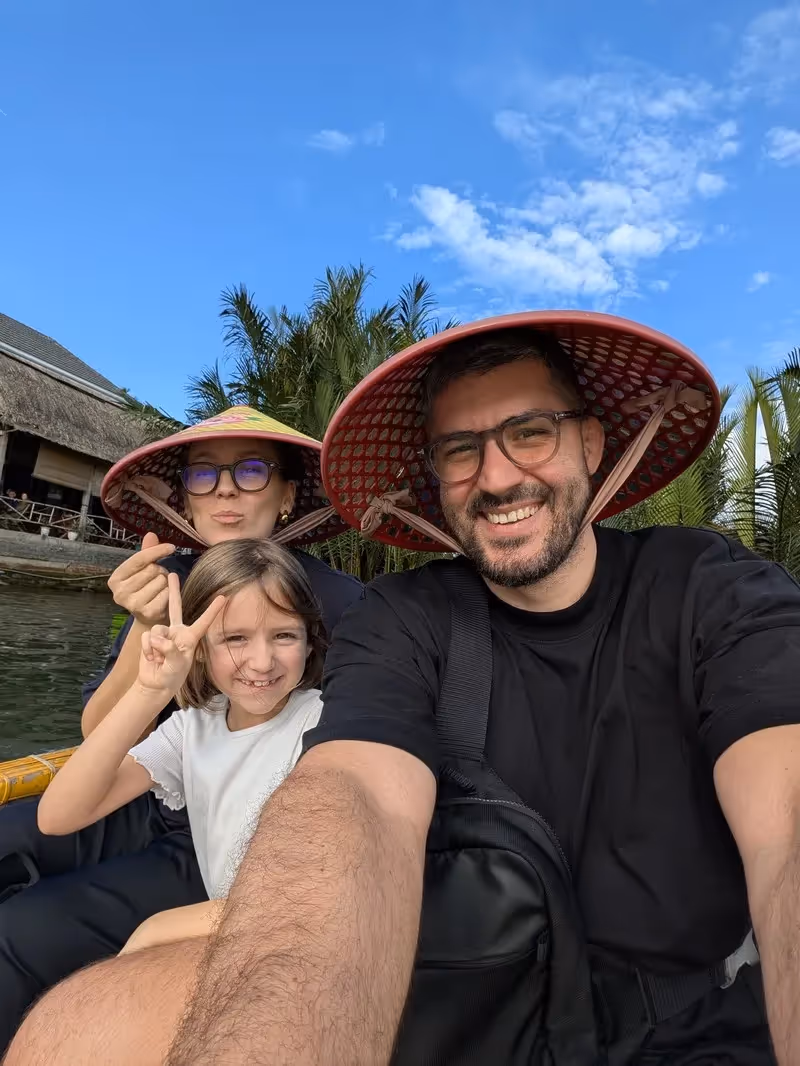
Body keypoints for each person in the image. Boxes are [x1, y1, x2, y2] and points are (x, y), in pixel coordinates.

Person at [7, 312, 800, 1066]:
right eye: (460, 450)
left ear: (591, 441)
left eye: (530, 432)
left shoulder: (713, 591)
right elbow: (354, 796)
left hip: (686, 1019)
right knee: (77, 1027)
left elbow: (786, 808)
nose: (496, 475)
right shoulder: (405, 616)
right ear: (436, 477)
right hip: (466, 976)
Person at [0, 405, 361, 1052]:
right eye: (204, 476)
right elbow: (97, 737)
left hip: (240, 845)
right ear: (186, 501)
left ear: (285, 495)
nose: (225, 488)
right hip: (156, 793)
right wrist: (143, 636)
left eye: (251, 471)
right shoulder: (163, 584)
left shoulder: (344, 606)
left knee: (23, 930)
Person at [38, 538, 325, 956]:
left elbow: (306, 897)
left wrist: (157, 928)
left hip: (294, 945)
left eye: (284, 635)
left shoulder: (325, 725)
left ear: (310, 642)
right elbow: (59, 816)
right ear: (202, 649)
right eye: (235, 639)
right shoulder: (193, 727)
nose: (262, 662)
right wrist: (149, 690)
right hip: (232, 942)